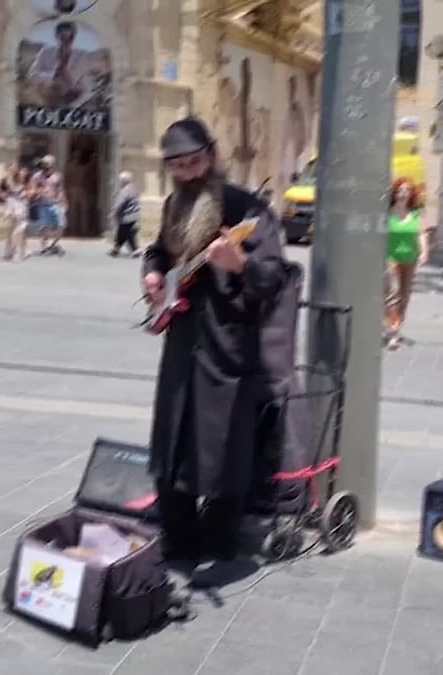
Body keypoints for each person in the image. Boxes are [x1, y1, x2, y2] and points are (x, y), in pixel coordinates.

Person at [141, 118, 287, 571]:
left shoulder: (248, 209)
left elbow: (276, 276)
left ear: (212, 155)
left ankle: (221, 543)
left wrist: (239, 262)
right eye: (179, 167)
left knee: (225, 448)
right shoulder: (173, 204)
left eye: (196, 162)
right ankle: (180, 538)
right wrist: (151, 273)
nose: (189, 173)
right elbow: (160, 251)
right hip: (182, 343)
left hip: (230, 349)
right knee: (173, 442)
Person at [384, 177, 429, 350]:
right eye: (400, 190)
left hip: (409, 259)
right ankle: (393, 334)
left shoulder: (415, 214)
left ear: (411, 194)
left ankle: (396, 326)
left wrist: (424, 251)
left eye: (407, 190)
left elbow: (421, 234)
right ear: (394, 193)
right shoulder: (387, 213)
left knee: (405, 296)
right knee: (393, 294)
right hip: (390, 258)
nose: (403, 194)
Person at [28, 155, 67, 256]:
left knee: (61, 225)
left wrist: (64, 201)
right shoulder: (36, 176)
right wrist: (38, 191)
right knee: (45, 226)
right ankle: (45, 247)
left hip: (55, 204)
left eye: (47, 163)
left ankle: (52, 245)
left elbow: (60, 190)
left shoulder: (57, 176)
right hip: (43, 204)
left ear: (51, 164)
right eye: (44, 163)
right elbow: (32, 188)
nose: (45, 165)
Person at [0, 164, 31, 262]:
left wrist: (27, 193)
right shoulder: (11, 182)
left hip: (16, 207)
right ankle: (14, 253)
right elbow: (1, 192)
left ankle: (10, 252)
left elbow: (31, 191)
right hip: (16, 207)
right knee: (16, 231)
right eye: (21, 173)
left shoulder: (21, 183)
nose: (23, 174)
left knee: (14, 230)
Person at [108, 171, 141, 257]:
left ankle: (135, 249)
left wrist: (113, 212)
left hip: (127, 216)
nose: (119, 183)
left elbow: (120, 203)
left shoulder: (125, 191)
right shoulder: (133, 189)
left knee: (127, 233)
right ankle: (116, 249)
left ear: (123, 181)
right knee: (121, 232)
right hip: (133, 215)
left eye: (120, 181)